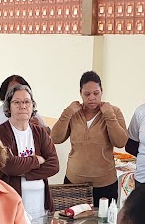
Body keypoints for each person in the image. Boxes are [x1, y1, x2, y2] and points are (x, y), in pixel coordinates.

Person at [51, 70, 129, 206]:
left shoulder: (114, 111)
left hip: (105, 184)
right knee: (71, 219)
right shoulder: (73, 113)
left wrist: (109, 115)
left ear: (102, 91)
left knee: (103, 219)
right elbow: (55, 138)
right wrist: (67, 113)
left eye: (96, 93)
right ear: (80, 93)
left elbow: (121, 142)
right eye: (87, 94)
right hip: (74, 182)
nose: (91, 98)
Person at [0, 83, 59, 224]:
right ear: (9, 106)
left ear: (32, 105)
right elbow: (8, 165)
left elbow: (54, 165)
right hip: (11, 210)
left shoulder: (39, 132)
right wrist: (36, 160)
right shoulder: (0, 133)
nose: (22, 106)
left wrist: (22, 171)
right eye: (17, 102)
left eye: (26, 102)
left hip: (40, 210)